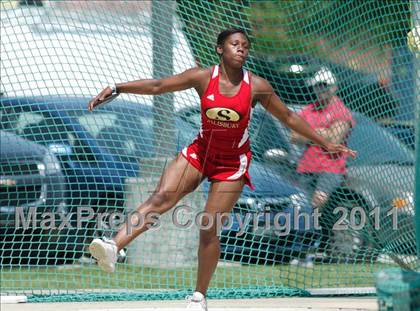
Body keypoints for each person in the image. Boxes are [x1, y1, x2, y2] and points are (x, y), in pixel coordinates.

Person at [87, 29, 356, 311]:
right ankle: (114, 247)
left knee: (208, 227)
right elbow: (158, 86)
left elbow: (288, 116)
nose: (241, 49)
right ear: (220, 49)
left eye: (245, 46)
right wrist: (118, 87)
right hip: (200, 152)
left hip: (232, 164)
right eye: (234, 44)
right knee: (160, 199)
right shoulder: (202, 77)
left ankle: (198, 297)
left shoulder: (257, 86)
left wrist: (326, 142)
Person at [290, 67, 355, 266]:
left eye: (325, 86)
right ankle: (301, 251)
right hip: (306, 167)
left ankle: (312, 251)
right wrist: (321, 132)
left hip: (330, 168)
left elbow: (335, 139)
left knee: (317, 203)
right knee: (301, 208)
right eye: (318, 86)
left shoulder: (341, 111)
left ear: (334, 87)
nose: (321, 90)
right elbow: (294, 136)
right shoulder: (308, 110)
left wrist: (309, 133)